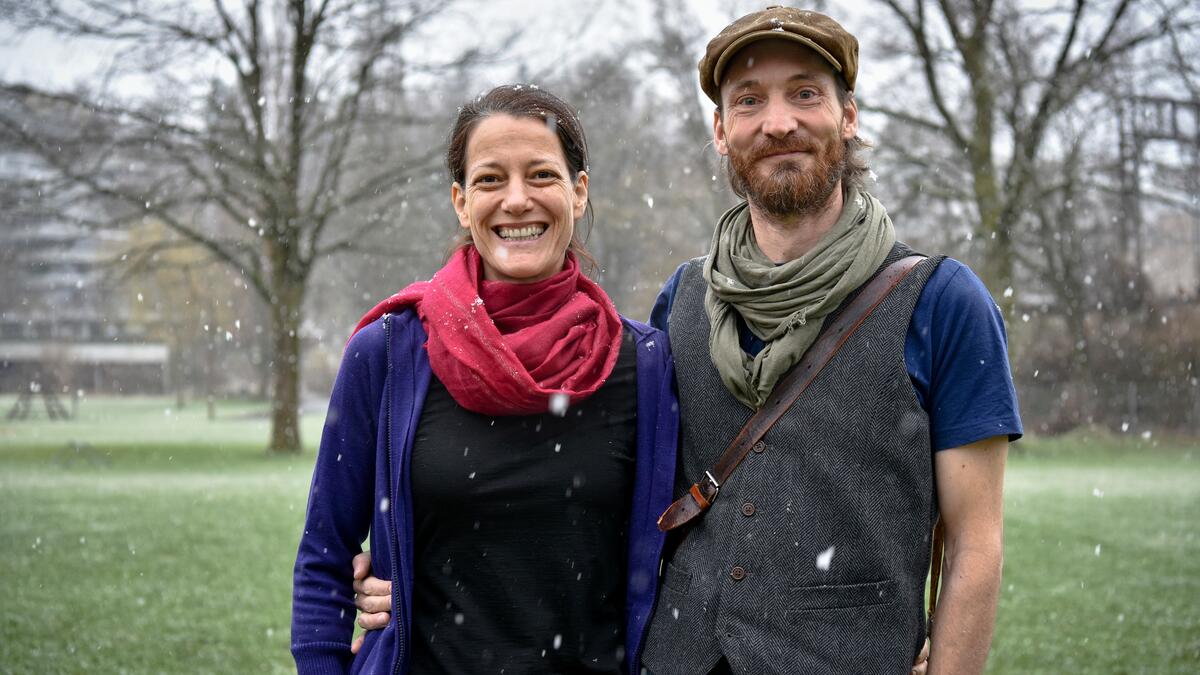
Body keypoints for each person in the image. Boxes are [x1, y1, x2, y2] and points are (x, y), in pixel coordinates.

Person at [349, 8, 1002, 673]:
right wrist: (418, 573)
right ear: (722, 131)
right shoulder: (681, 303)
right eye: (749, 101)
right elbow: (591, 492)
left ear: (849, 115)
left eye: (805, 92)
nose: (778, 121)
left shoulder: (942, 303)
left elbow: (977, 542)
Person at [290, 84, 679, 674]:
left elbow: (678, 560)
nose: (516, 200)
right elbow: (324, 556)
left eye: (542, 175)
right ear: (460, 201)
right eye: (490, 179)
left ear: (578, 193)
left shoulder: (645, 365)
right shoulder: (389, 354)